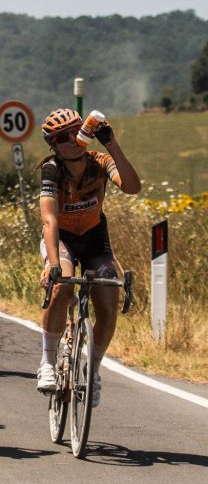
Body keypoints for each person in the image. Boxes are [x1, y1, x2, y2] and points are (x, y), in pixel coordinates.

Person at [36, 109, 140, 407]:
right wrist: (54, 265)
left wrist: (111, 143)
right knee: (63, 285)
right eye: (61, 138)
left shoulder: (99, 161)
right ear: (53, 145)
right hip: (62, 239)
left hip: (95, 239)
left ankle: (92, 370)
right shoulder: (52, 170)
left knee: (107, 306)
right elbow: (49, 222)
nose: (71, 140)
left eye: (75, 132)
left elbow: (133, 187)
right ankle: (47, 361)